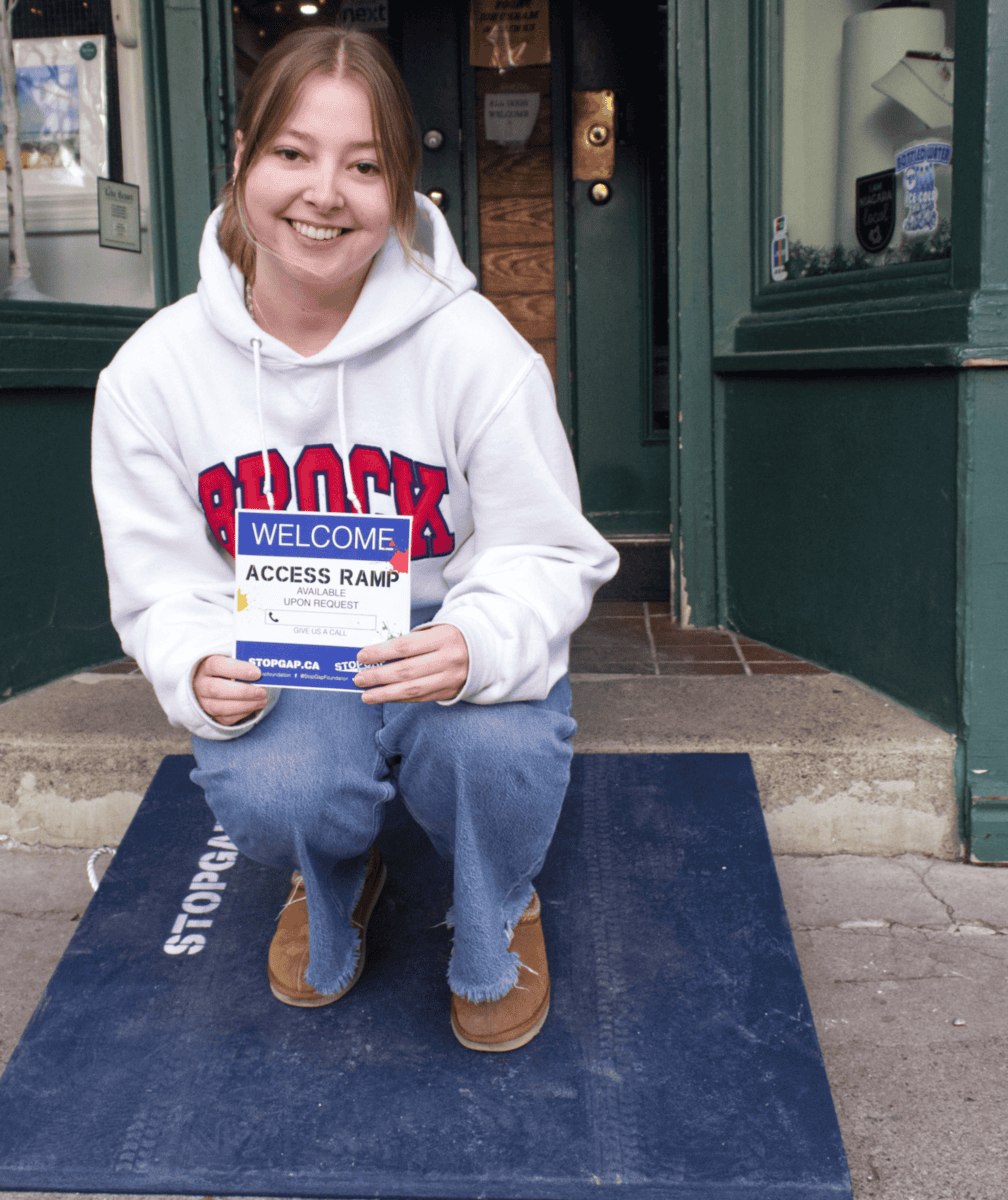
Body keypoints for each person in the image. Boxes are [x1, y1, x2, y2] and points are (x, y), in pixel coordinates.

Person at [90, 26, 616, 1052]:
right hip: (284, 639)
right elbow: (159, 582)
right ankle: (332, 881)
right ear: (241, 155)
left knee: (495, 746)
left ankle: (495, 915)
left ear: (403, 190)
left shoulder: (476, 353)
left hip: (438, 627)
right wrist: (192, 659)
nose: (323, 193)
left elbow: (546, 552)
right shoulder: (151, 376)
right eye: (292, 152)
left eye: (363, 165)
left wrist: (477, 641)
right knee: (276, 785)